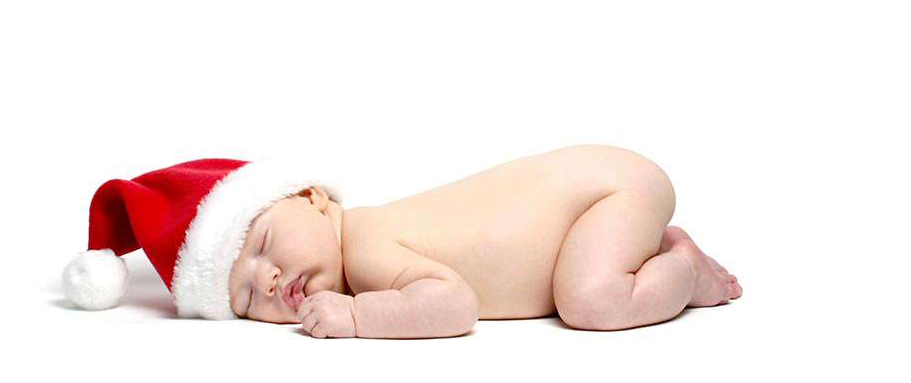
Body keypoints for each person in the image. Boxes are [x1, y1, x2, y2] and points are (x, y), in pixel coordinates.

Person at [62, 144, 741, 338]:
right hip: (594, 199)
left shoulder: (367, 244)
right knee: (581, 286)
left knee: (591, 300)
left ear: (313, 197)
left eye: (264, 241)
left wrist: (359, 316)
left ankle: (685, 269)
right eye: (244, 292)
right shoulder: (360, 246)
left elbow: (455, 303)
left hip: (607, 189)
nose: (267, 279)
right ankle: (644, 249)